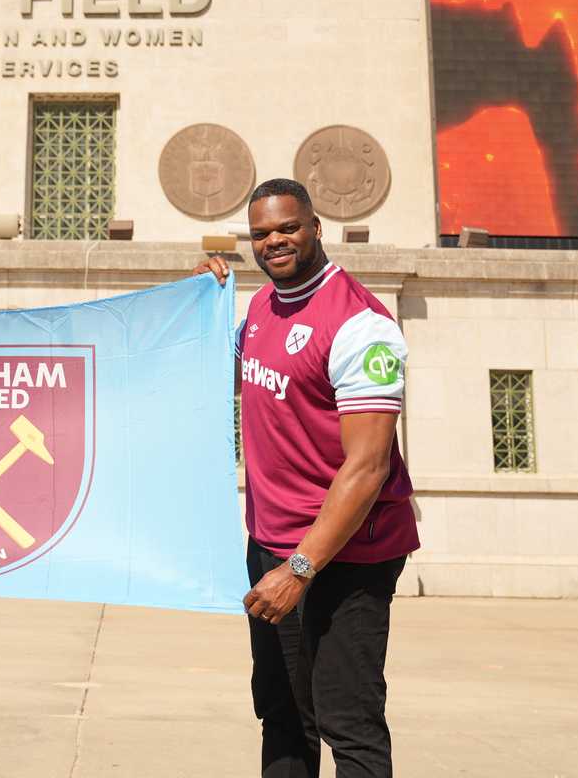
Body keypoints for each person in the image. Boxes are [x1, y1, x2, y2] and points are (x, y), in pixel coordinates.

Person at [194, 178, 417, 778]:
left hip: (345, 556)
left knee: (348, 720)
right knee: (283, 711)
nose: (274, 241)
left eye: (288, 228)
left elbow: (367, 467)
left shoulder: (362, 326)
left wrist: (300, 568)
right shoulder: (263, 305)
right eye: (261, 233)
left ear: (317, 228)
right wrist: (201, 302)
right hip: (270, 545)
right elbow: (218, 375)